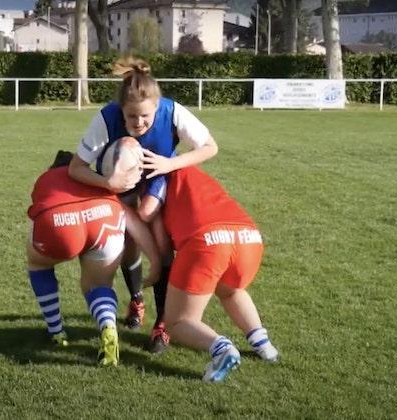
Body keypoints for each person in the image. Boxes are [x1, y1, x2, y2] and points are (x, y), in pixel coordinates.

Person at [67, 56, 218, 353]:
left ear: (158, 107)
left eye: (145, 117)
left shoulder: (172, 111)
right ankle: (137, 299)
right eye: (131, 117)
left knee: (158, 233)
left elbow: (210, 147)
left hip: (157, 176)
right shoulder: (106, 117)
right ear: (120, 110)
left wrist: (170, 162)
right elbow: (76, 168)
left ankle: (162, 324)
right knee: (125, 242)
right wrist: (107, 184)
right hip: (117, 183)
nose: (138, 123)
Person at [138, 166, 279, 382]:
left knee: (176, 322)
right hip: (249, 237)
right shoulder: (196, 173)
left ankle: (222, 349)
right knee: (231, 291)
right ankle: (263, 345)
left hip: (208, 241)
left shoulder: (160, 176)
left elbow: (147, 212)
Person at [26, 141, 160, 367]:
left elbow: (38, 211)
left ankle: (56, 331)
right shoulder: (98, 181)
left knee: (38, 263)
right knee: (97, 285)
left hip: (60, 223)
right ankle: (108, 325)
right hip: (104, 219)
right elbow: (132, 222)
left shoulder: (46, 178)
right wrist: (155, 260)